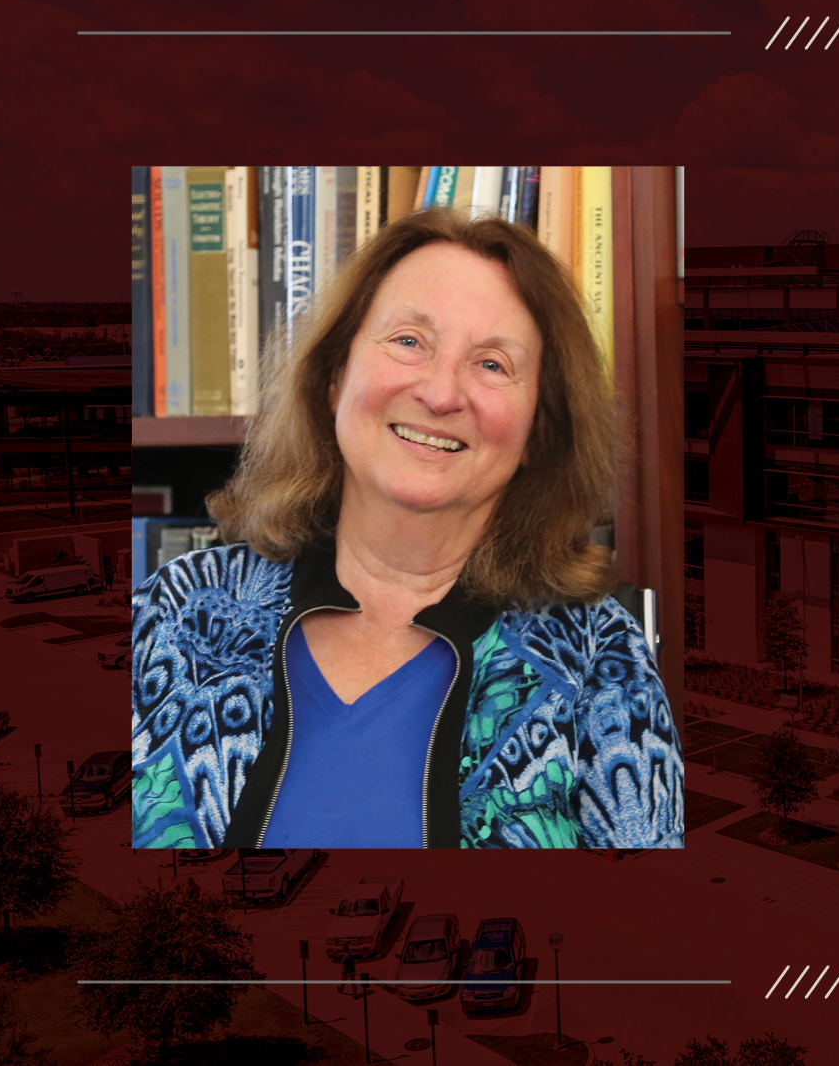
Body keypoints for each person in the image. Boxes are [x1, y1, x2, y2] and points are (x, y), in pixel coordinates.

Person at [130, 208, 684, 850]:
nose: (442, 393)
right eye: (409, 341)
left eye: (493, 364)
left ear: (538, 428)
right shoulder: (171, 614)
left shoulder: (600, 660)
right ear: (335, 378)